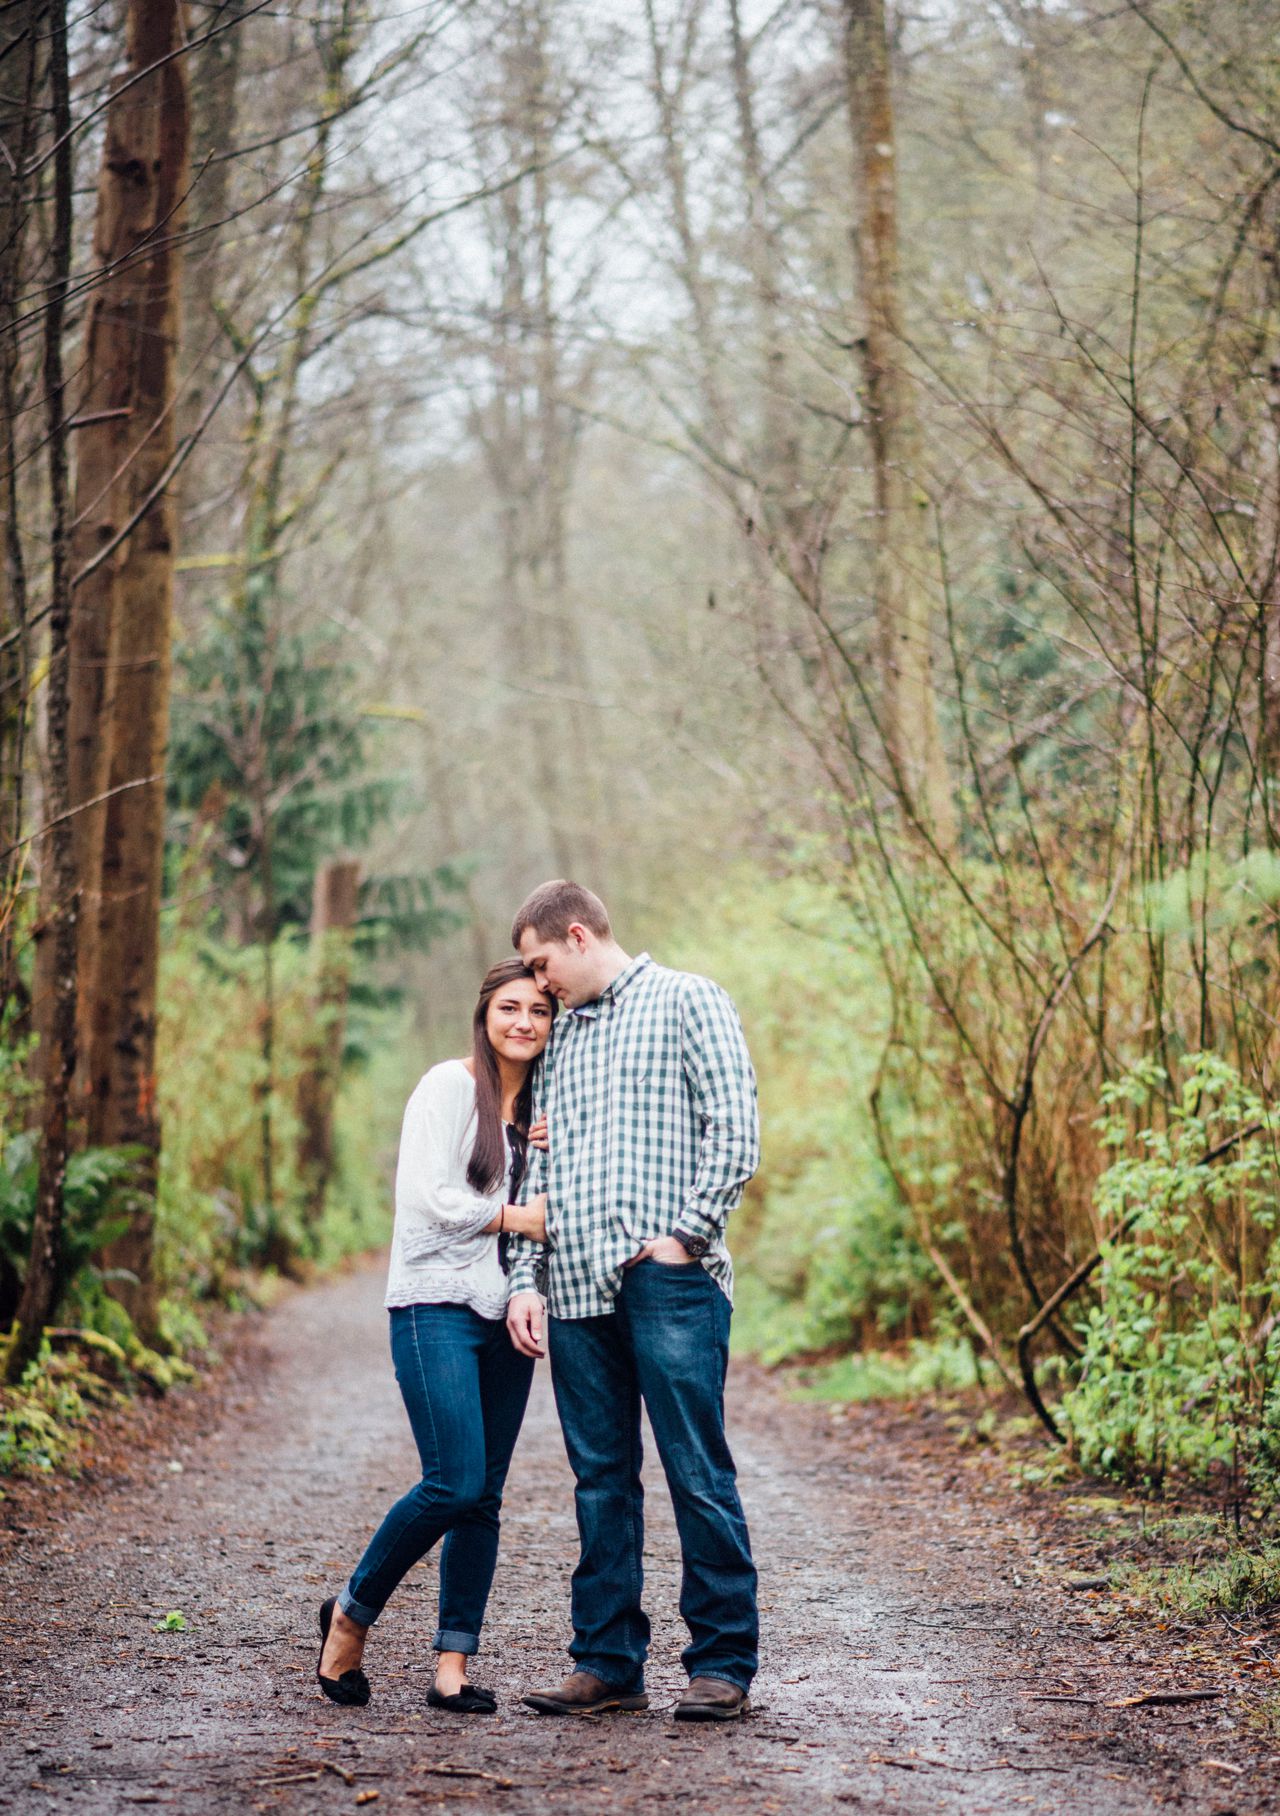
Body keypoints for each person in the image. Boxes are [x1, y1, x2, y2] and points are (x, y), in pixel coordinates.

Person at [505, 880, 760, 1723]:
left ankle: (721, 1663)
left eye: (544, 965)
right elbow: (535, 1171)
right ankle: (608, 1662)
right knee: (601, 1481)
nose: (539, 987)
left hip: (669, 1280)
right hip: (575, 1287)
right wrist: (523, 1279)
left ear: (577, 936)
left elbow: (735, 1126)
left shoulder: (689, 999)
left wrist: (684, 1239)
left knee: (697, 1469)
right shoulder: (560, 1040)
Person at [316, 959, 555, 1713]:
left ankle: (452, 1666)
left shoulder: (545, 1114)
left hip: (503, 1316)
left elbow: (548, 1226)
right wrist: (516, 1213)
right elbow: (425, 1195)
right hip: (432, 1304)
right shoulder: (449, 1086)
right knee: (453, 1479)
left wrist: (528, 1284)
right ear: (484, 1013)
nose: (524, 1022)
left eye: (540, 1011)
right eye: (510, 1007)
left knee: (483, 1496)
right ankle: (350, 1617)